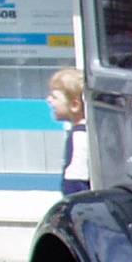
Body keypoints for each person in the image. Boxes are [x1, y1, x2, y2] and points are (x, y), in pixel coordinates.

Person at [48, 68, 89, 196]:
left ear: (74, 105)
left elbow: (76, 181)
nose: (48, 99)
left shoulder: (79, 136)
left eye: (54, 97)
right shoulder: (89, 132)